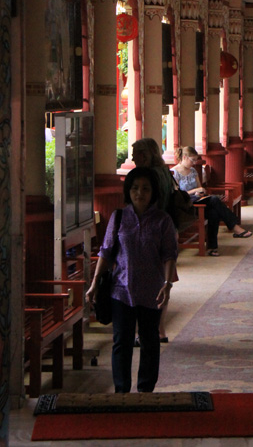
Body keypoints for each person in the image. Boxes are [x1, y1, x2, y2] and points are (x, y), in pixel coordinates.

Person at [86, 167, 178, 393]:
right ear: (129, 191)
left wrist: (167, 284)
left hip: (152, 291)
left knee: (149, 342)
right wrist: (94, 283)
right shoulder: (118, 218)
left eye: (146, 189)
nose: (140, 193)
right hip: (121, 291)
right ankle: (122, 391)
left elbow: (169, 255)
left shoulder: (162, 221)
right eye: (135, 188)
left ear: (153, 192)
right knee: (121, 344)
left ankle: (145, 390)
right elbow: (106, 252)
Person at [131, 137, 176, 341]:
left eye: (136, 154)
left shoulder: (147, 176)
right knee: (163, 280)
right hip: (168, 228)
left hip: (149, 232)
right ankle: (160, 330)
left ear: (145, 155)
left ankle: (145, 331)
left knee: (145, 282)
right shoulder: (165, 172)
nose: (132, 158)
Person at [172, 145, 252, 256]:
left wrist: (200, 192)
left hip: (198, 201)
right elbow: (177, 195)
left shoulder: (193, 171)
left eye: (196, 160)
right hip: (186, 205)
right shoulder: (174, 173)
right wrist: (195, 190)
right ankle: (234, 226)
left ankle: (212, 248)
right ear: (184, 157)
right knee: (214, 199)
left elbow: (200, 188)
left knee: (214, 213)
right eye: (193, 160)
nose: (194, 163)